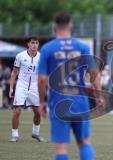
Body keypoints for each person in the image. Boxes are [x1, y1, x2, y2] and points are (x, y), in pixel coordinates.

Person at [38, 12, 104, 160]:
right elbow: (94, 74)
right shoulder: (82, 46)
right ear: (71, 26)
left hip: (58, 102)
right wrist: (99, 96)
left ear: (54, 27)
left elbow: (41, 79)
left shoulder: (47, 48)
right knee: (84, 142)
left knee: (61, 148)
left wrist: (41, 102)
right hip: (80, 101)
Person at [8, 36, 45, 142]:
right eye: (32, 43)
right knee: (17, 110)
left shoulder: (41, 57)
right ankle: (15, 135)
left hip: (34, 86)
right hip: (22, 84)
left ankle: (36, 133)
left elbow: (43, 74)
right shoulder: (20, 56)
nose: (34, 45)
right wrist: (11, 87)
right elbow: (14, 72)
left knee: (38, 112)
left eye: (37, 43)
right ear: (28, 44)